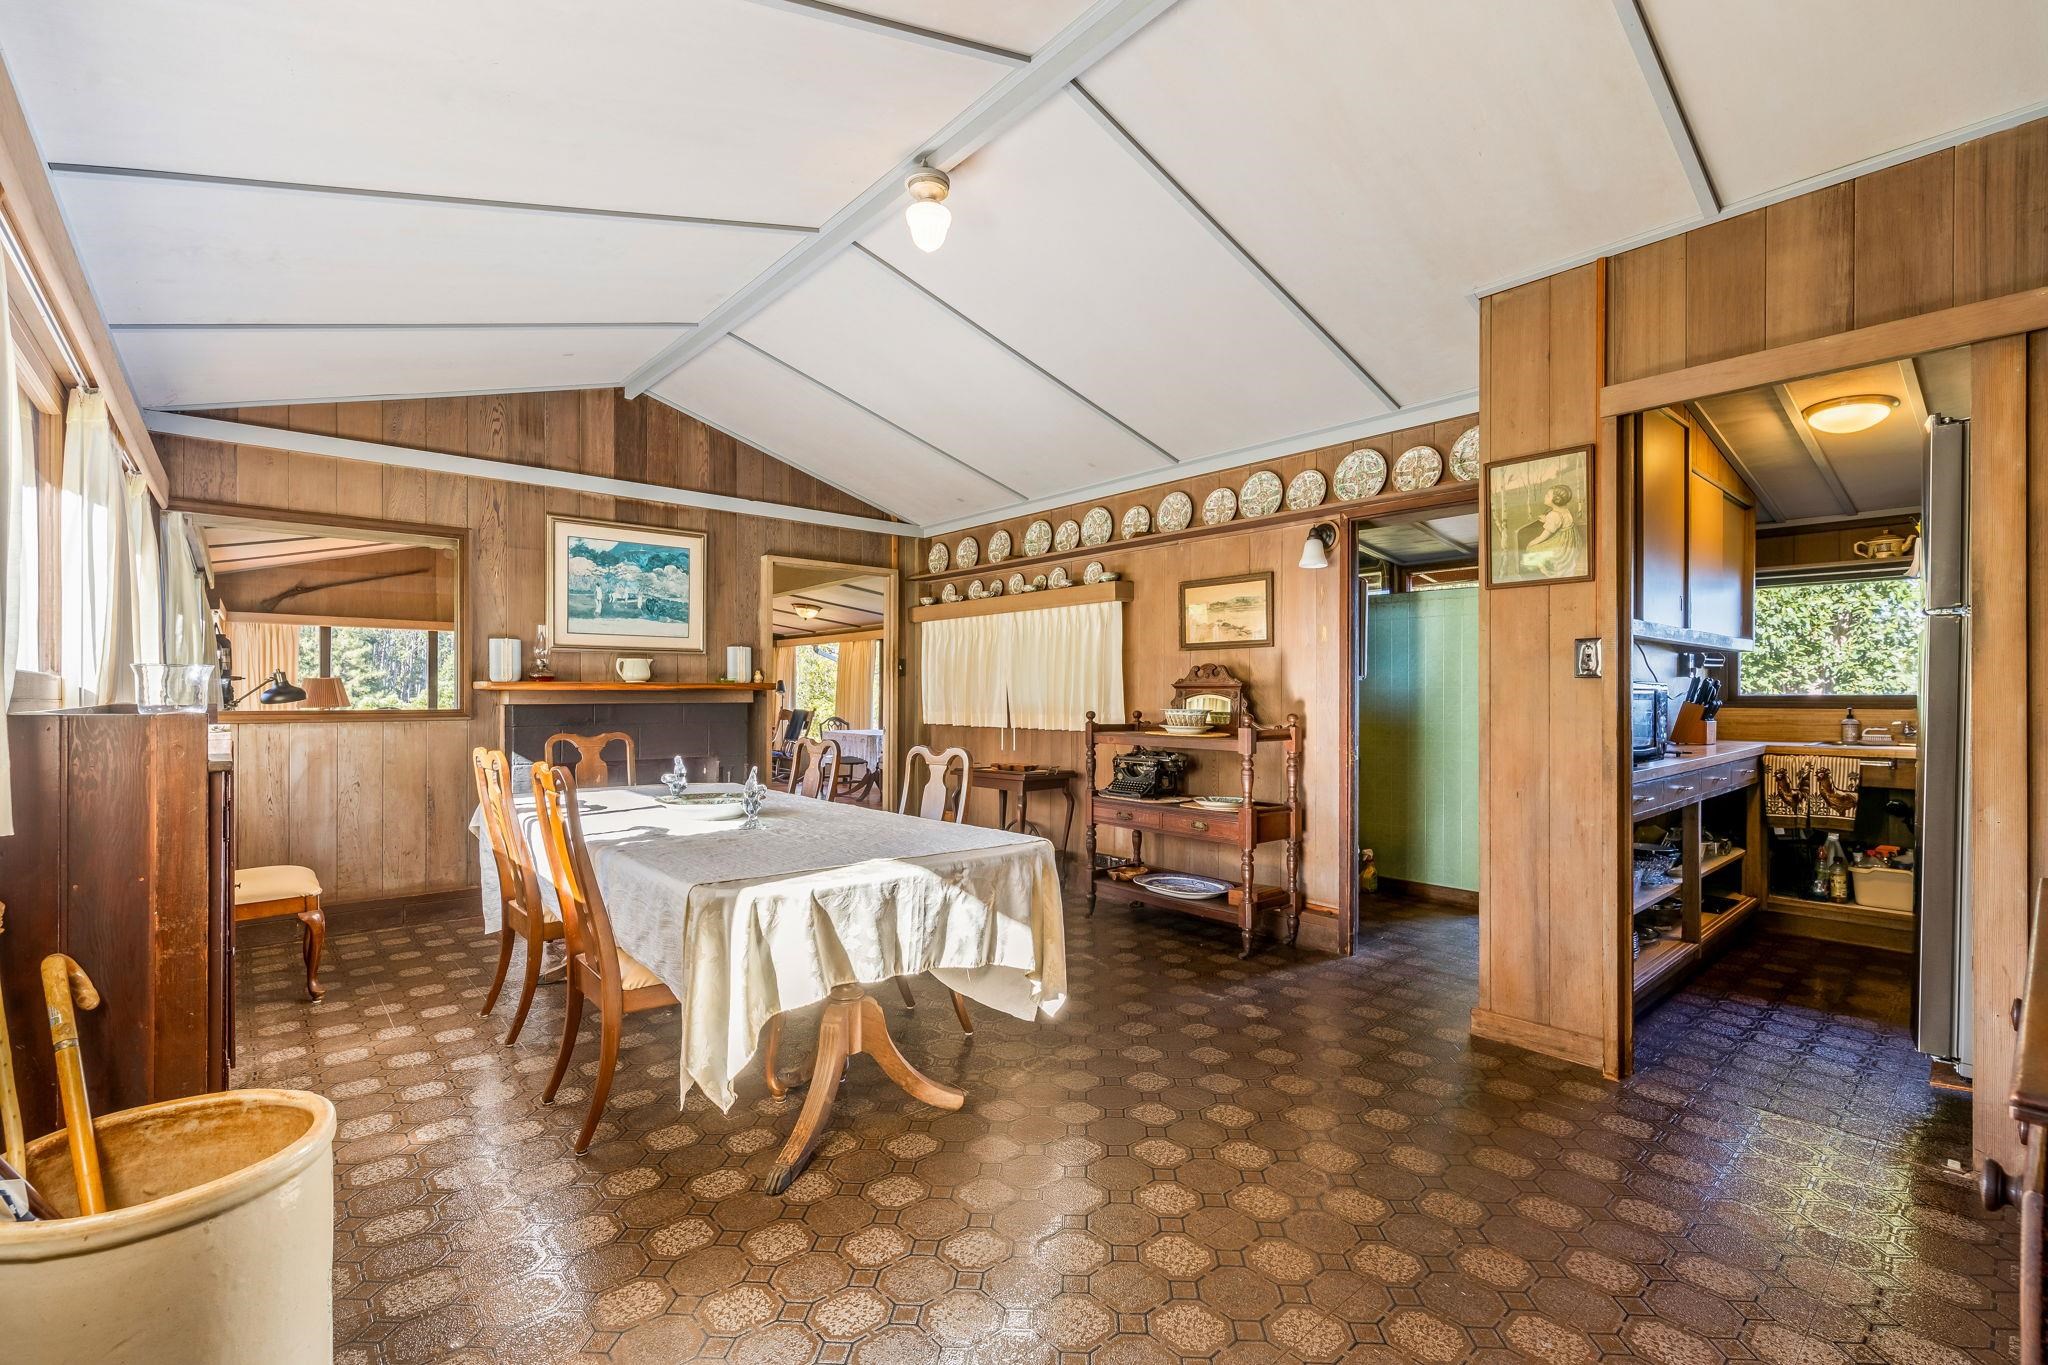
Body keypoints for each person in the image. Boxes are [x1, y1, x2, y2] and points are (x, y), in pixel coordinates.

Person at [1522, 485, 1584, 578]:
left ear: (1556, 500)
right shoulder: (1564, 510)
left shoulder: (1553, 515)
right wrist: (1547, 519)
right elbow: (1559, 521)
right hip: (1572, 541)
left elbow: (1544, 536)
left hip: (1562, 544)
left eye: (1547, 495)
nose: (1545, 496)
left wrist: (1532, 542)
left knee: (1533, 549)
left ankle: (1534, 574)